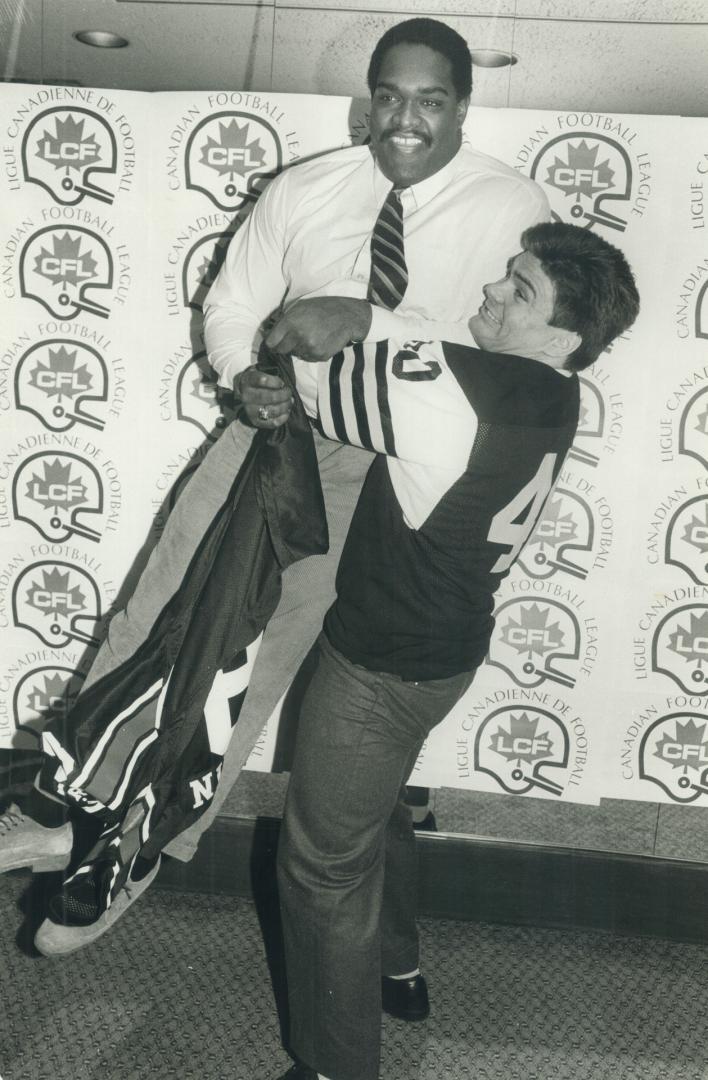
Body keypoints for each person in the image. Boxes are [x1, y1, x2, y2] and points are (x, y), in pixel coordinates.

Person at [0, 16, 547, 951]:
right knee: (150, 612)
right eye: (389, 95)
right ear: (365, 97)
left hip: (392, 469)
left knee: (248, 662)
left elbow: (524, 352)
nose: (405, 118)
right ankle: (70, 803)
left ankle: (133, 852)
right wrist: (242, 375)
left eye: (431, 99)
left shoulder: (512, 207)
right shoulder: (307, 188)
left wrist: (372, 319)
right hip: (276, 429)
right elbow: (233, 304)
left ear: (464, 103)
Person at [274, 221, 640, 1080]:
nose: (490, 292)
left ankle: (332, 1068)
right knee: (376, 812)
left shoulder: (455, 389)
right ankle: (397, 969)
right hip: (446, 656)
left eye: (518, 290)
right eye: (504, 275)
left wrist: (340, 313)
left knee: (321, 865)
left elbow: (309, 368)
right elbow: (428, 362)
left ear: (562, 335)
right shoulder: (555, 392)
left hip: (377, 665)